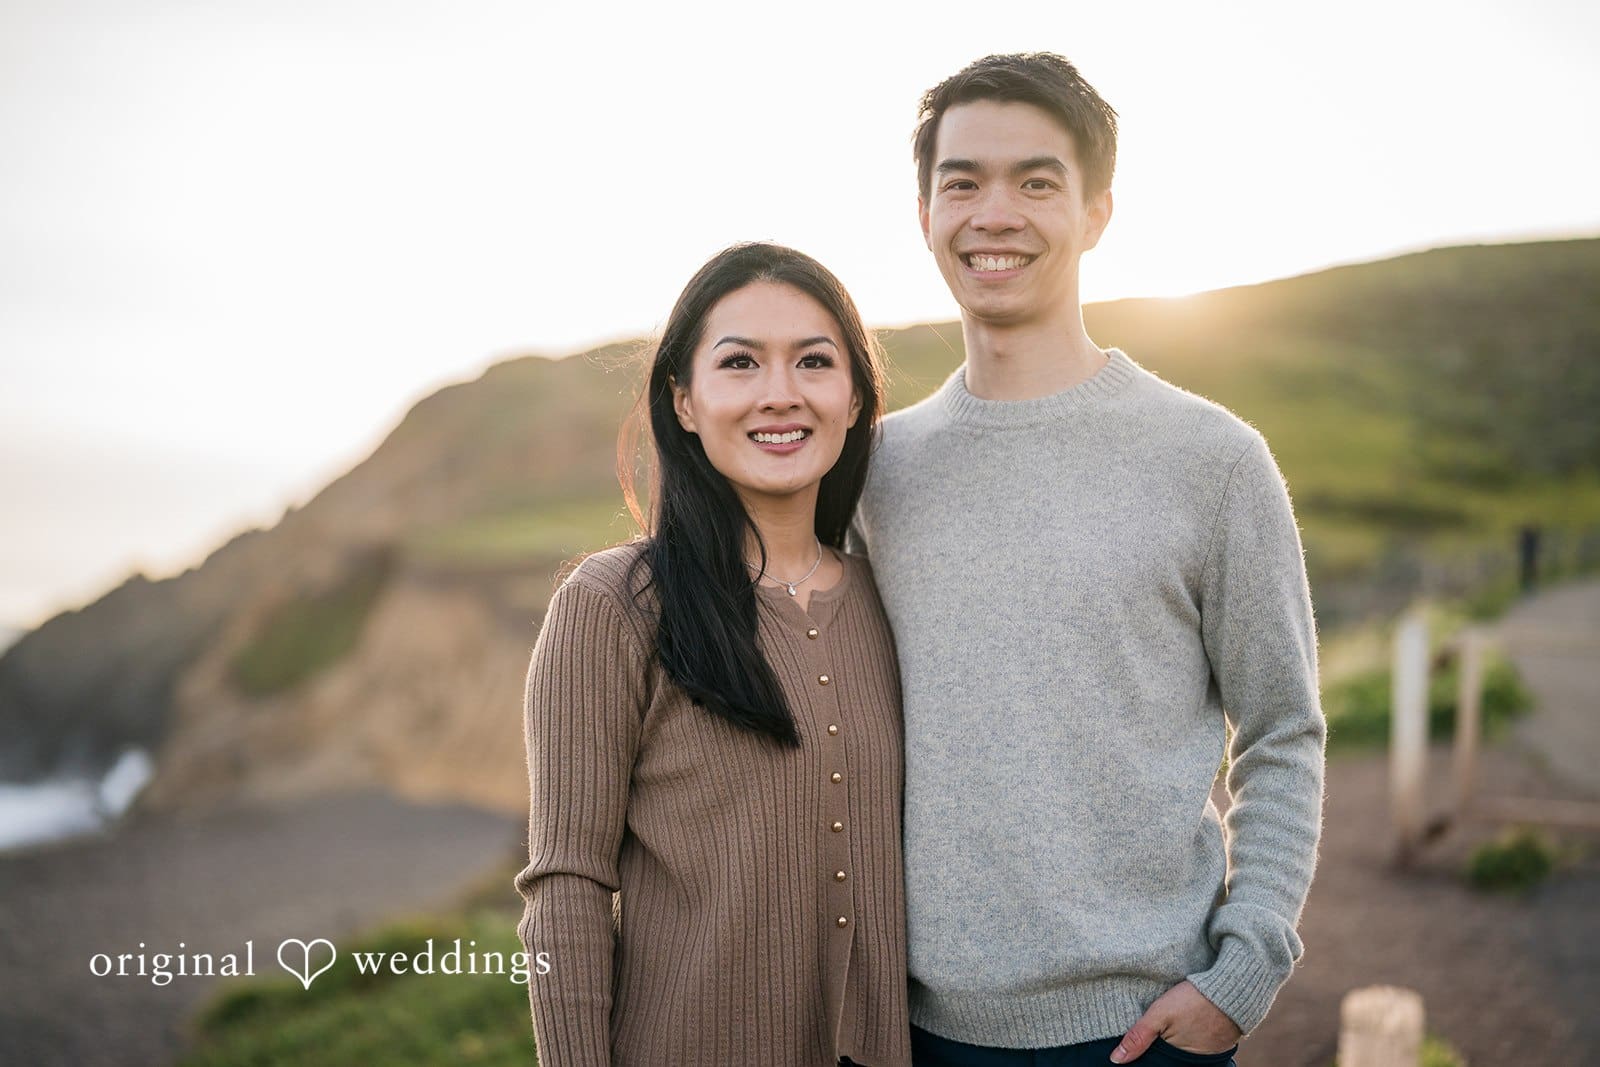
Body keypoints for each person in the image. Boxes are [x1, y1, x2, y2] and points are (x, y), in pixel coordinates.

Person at [847, 54, 1326, 1066]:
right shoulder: (876, 471)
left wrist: (1244, 971)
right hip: (910, 1028)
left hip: (1142, 1032)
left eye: (1036, 181)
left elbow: (1283, 729)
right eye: (962, 182)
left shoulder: (1212, 460)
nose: (994, 213)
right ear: (925, 214)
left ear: (1096, 212)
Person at [513, 242, 913, 1066]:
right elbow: (567, 886)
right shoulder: (612, 604)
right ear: (685, 401)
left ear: (853, 399)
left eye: (814, 361)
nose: (780, 392)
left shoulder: (897, 602)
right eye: (739, 362)